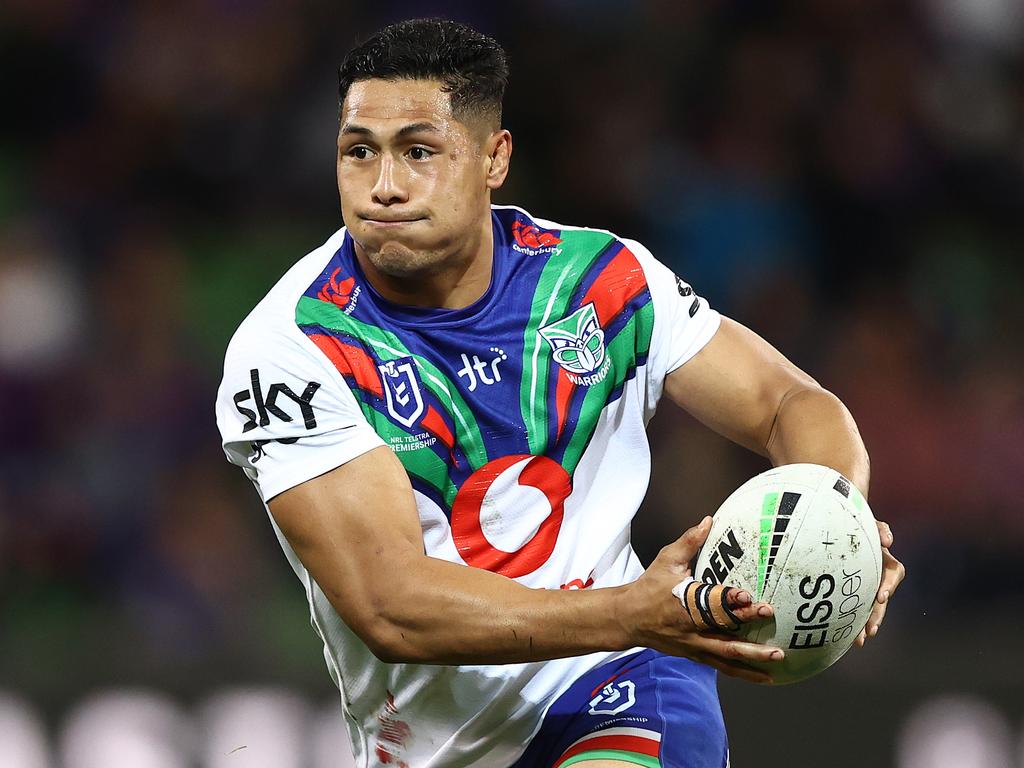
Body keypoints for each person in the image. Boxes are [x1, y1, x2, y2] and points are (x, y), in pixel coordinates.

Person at [215, 18, 904, 768]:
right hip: (439, 741)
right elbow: (391, 606)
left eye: (418, 151)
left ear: (493, 158)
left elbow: (789, 403)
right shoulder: (295, 346)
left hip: (622, 686)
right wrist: (628, 614)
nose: (384, 185)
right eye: (359, 153)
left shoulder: (602, 282)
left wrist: (842, 524)